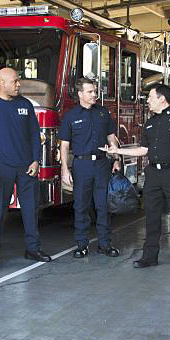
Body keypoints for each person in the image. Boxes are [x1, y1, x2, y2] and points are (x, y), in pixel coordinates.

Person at [101, 84, 170, 272]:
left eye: (150, 97)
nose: (147, 101)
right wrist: (117, 150)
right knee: (152, 217)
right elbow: (144, 150)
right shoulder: (149, 123)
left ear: (162, 98)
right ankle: (149, 257)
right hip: (153, 174)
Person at [0, 67, 52, 265]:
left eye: (19, 81)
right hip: (2, 168)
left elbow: (35, 135)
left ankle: (33, 249)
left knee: (31, 209)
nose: (19, 84)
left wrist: (36, 160)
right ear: (1, 83)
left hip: (27, 167)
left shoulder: (25, 105)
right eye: (15, 81)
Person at [58, 77, 122, 258]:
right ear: (80, 94)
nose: (95, 94)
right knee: (81, 206)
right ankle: (82, 245)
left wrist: (116, 159)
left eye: (95, 91)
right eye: (90, 92)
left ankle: (105, 244)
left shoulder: (103, 113)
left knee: (103, 205)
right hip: (81, 165)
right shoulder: (71, 116)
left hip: (102, 163)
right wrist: (65, 169)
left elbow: (111, 138)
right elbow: (64, 146)